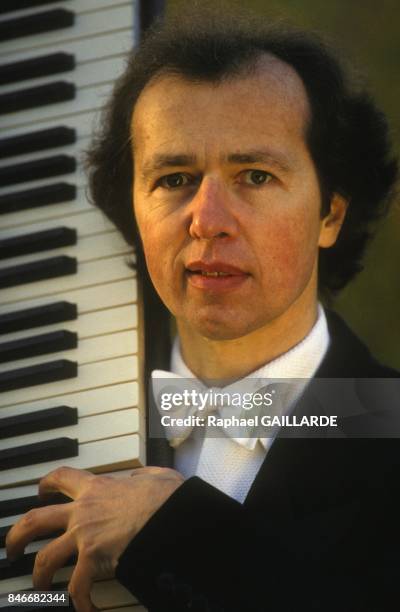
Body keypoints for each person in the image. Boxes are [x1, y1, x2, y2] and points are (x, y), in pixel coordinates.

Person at [6, 8, 399, 612]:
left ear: (330, 215)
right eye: (174, 179)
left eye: (256, 176)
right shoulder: (44, 412)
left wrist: (173, 530)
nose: (208, 220)